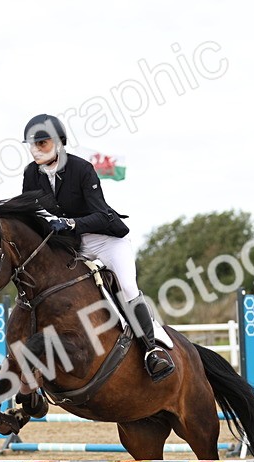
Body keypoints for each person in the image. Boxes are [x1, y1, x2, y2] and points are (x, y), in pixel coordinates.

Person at [20, 113, 175, 382]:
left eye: (42, 144)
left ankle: (151, 351)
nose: (36, 150)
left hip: (104, 239)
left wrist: (69, 223)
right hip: (70, 245)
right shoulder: (32, 174)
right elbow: (27, 212)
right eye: (32, 145)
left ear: (59, 144)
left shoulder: (82, 169)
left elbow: (102, 214)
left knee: (127, 286)